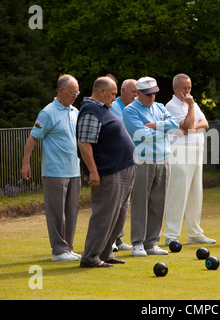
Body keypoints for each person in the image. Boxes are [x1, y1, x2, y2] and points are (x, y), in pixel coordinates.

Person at [77, 76, 136, 268]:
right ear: (102, 92)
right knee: (104, 215)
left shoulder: (103, 109)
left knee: (118, 216)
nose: (114, 97)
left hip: (123, 168)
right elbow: (85, 144)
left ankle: (105, 252)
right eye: (112, 93)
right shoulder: (91, 111)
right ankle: (90, 257)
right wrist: (93, 171)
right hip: (109, 172)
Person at [21, 74, 81, 261]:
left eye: (77, 93)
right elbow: (32, 138)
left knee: (71, 213)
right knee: (56, 213)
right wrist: (26, 163)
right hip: (55, 171)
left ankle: (68, 248)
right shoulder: (47, 113)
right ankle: (58, 250)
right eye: (72, 92)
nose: (75, 96)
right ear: (61, 91)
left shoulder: (75, 111)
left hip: (74, 170)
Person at [123, 76, 179, 257]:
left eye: (154, 93)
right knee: (140, 202)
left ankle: (151, 242)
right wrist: (163, 129)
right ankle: (138, 242)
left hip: (163, 159)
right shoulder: (130, 110)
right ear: (137, 93)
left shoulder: (160, 107)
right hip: (142, 160)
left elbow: (175, 125)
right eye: (147, 94)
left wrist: (155, 125)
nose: (151, 97)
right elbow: (141, 133)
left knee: (158, 201)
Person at [163, 73, 215, 245]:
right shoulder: (171, 106)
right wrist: (192, 109)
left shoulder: (192, 103)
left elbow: (204, 123)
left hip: (196, 151)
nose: (187, 91)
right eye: (184, 88)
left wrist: (193, 123)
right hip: (180, 151)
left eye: (189, 88)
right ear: (175, 88)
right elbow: (187, 126)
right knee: (178, 193)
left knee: (195, 194)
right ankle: (171, 234)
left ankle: (194, 233)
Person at [110, 79, 138, 252]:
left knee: (124, 203)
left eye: (138, 91)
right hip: (115, 160)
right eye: (133, 91)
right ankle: (110, 239)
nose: (136, 94)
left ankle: (118, 239)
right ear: (123, 91)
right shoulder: (113, 107)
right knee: (115, 201)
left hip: (130, 160)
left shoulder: (135, 109)